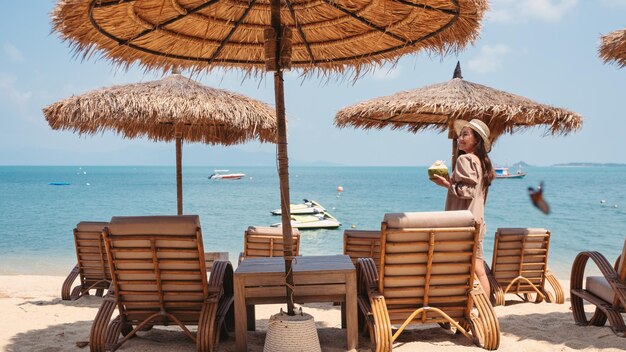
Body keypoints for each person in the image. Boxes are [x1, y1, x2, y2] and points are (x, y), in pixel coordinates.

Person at [430, 119, 495, 294]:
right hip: (477, 220)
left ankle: (479, 308)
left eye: (465, 134)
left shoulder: (465, 159)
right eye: (460, 135)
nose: (460, 138)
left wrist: (446, 183)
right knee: (478, 269)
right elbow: (472, 190)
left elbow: (466, 191)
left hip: (463, 224)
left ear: (477, 140)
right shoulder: (480, 161)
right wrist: (451, 183)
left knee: (472, 269)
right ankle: (483, 308)